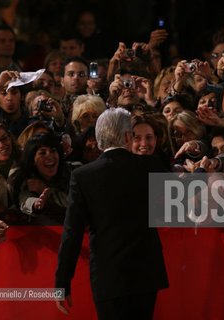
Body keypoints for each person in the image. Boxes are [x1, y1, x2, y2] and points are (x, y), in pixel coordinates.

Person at [55, 107, 168, 319]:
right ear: (128, 136)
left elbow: (72, 233)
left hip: (109, 276)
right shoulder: (149, 165)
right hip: (146, 275)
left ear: (99, 141)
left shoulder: (83, 176)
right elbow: (183, 193)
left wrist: (62, 281)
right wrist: (199, 170)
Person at [16, 132, 75, 225]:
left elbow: (77, 204)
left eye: (53, 151)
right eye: (42, 153)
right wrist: (35, 203)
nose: (49, 156)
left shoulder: (74, 171)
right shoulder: (27, 178)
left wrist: (47, 191)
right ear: (33, 159)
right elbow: (25, 199)